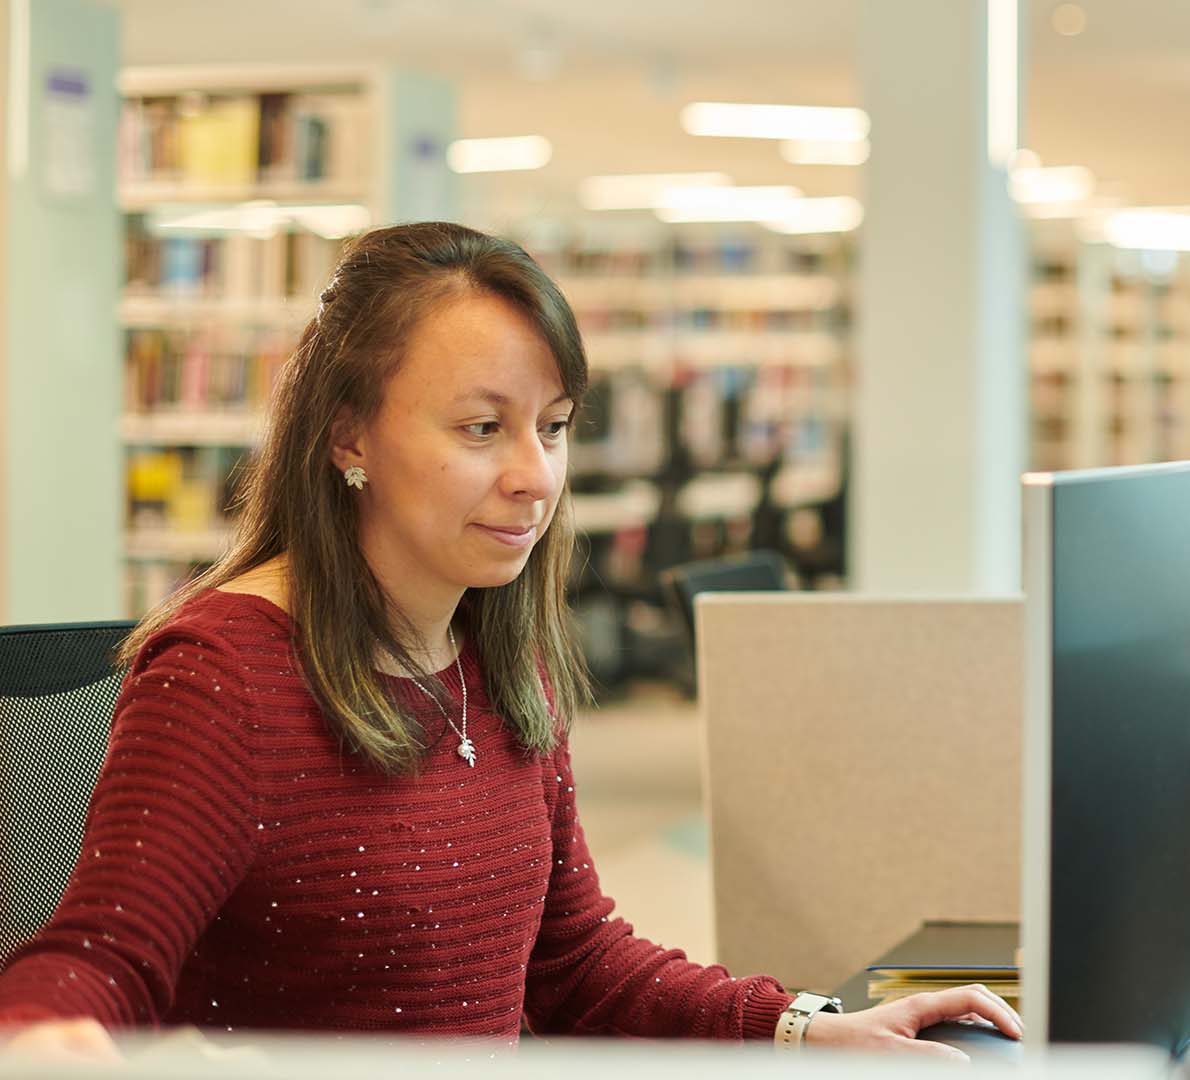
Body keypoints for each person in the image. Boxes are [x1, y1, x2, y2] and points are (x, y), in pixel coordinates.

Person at [0, 222, 1019, 1062]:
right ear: (348, 434)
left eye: (556, 425)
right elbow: (96, 959)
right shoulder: (225, 679)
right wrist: (45, 1039)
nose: (536, 476)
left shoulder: (495, 653)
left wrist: (812, 1028)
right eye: (483, 429)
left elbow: (575, 967)